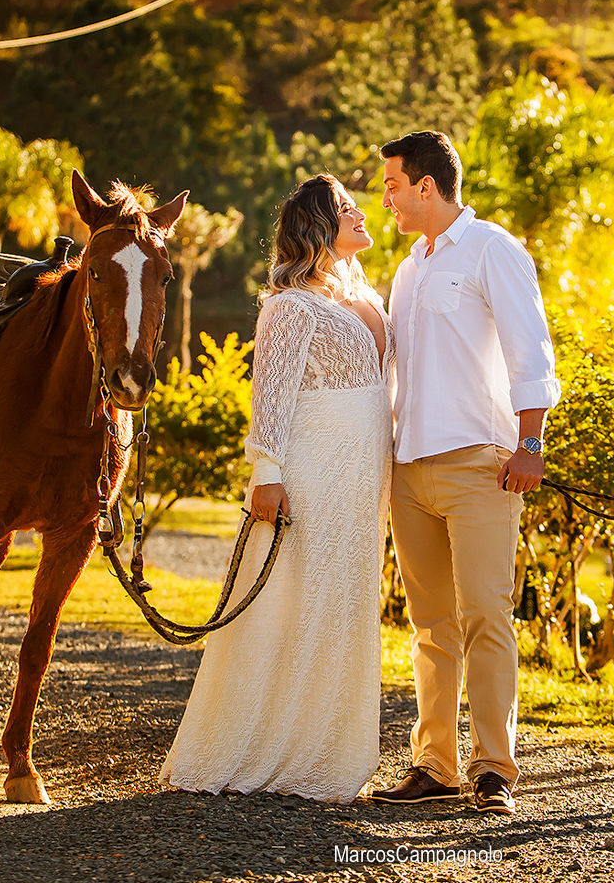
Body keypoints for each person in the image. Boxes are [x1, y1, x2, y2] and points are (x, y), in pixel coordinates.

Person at [160, 174, 394, 804]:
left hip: (363, 477)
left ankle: (332, 741)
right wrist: (267, 474)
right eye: (347, 209)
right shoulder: (290, 306)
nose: (361, 214)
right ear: (320, 228)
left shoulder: (361, 291)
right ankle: (270, 744)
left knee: (344, 601)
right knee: (295, 598)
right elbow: (271, 397)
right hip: (312, 472)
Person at [371, 130, 560, 817]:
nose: (385, 197)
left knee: (485, 616)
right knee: (428, 626)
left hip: (481, 465)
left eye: (392, 183)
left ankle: (493, 769)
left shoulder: (493, 249)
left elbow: (529, 349)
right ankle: (434, 765)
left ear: (426, 186)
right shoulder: (408, 268)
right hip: (410, 469)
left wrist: (530, 444)